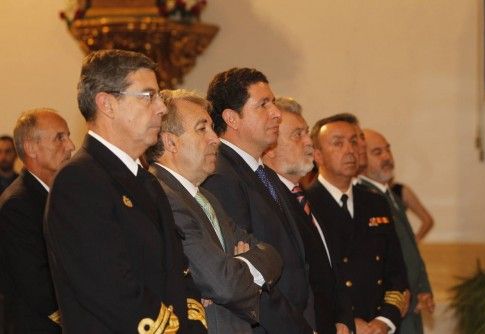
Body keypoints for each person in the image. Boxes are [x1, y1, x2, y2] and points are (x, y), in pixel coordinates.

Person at [44, 49, 204, 333]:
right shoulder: (79, 181)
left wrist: (194, 325)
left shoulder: (147, 181)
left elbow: (179, 272)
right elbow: (112, 292)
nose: (162, 108)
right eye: (148, 96)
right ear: (107, 104)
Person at [146, 89, 283, 333]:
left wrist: (236, 264)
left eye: (211, 128)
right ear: (170, 142)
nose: (215, 139)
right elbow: (223, 284)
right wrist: (240, 268)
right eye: (202, 129)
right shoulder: (162, 195)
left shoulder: (206, 196)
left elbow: (271, 254)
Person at [202, 68, 315, 333]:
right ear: (232, 118)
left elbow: (300, 262)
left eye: (273, 103)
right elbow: (250, 277)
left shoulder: (264, 173)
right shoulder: (221, 177)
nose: (276, 113)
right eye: (263, 105)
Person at [305, 115, 409, 334]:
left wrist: (384, 321)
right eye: (338, 143)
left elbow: (397, 272)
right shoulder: (305, 205)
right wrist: (349, 323)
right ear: (317, 155)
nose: (350, 150)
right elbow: (308, 283)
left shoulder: (375, 201)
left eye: (353, 142)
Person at [262, 97, 353, 334]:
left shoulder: (309, 199)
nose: (309, 142)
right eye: (297, 135)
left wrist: (343, 319)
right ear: (270, 148)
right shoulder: (269, 203)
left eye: (307, 133)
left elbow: (332, 269)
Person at [0, 108, 75, 333]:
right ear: (32, 148)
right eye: (60, 137)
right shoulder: (17, 205)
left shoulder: (63, 194)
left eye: (68, 136)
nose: (71, 145)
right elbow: (38, 285)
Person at [359, 129, 435, 334]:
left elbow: (410, 250)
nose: (387, 157)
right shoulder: (364, 200)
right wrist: (404, 304)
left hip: (410, 306)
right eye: (377, 152)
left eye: (387, 150)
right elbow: (373, 267)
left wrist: (423, 289)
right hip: (392, 312)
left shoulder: (390, 194)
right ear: (360, 158)